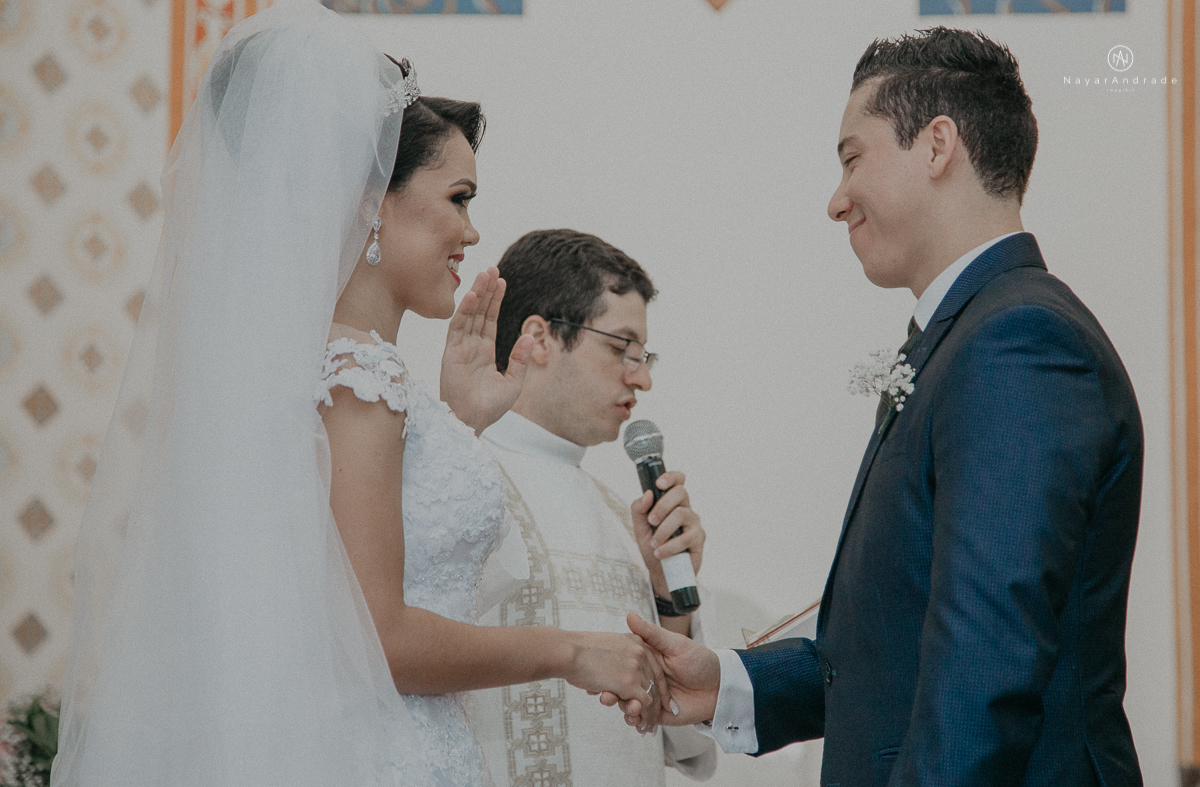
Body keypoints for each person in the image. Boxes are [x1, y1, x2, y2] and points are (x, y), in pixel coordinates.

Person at [51, 4, 666, 787]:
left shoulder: (336, 371)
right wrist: (574, 650)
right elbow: (380, 636)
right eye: (459, 197)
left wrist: (460, 419)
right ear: (373, 198)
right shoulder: (357, 377)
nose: (472, 232)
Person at [619, 27, 1144, 787]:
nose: (836, 201)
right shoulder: (965, 336)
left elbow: (984, 666)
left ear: (937, 145)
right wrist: (731, 682)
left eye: (851, 159)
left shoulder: (1018, 342)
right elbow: (900, 650)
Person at [468, 229, 718, 786]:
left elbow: (683, 743)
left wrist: (668, 597)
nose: (642, 378)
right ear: (540, 338)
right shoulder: (459, 481)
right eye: (620, 348)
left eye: (644, 355)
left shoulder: (623, 517)